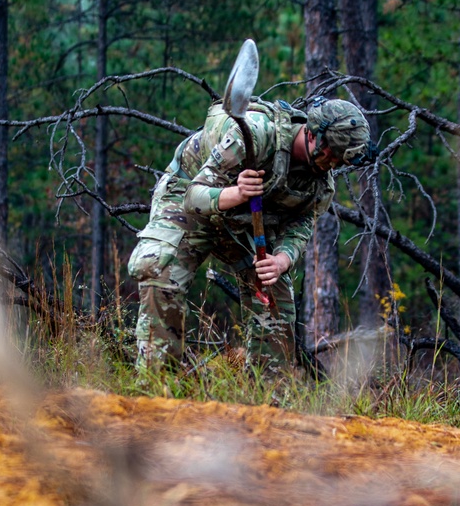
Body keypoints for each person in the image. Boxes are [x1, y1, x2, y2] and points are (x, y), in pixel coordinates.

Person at [128, 94, 371, 369]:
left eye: (341, 161)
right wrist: (237, 193)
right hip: (189, 198)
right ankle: (156, 380)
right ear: (314, 135)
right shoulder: (257, 133)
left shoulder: (319, 185)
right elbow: (193, 197)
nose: (334, 164)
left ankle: (269, 396)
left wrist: (282, 260)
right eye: (333, 154)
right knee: (159, 268)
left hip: (243, 222)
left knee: (274, 296)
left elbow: (301, 225)